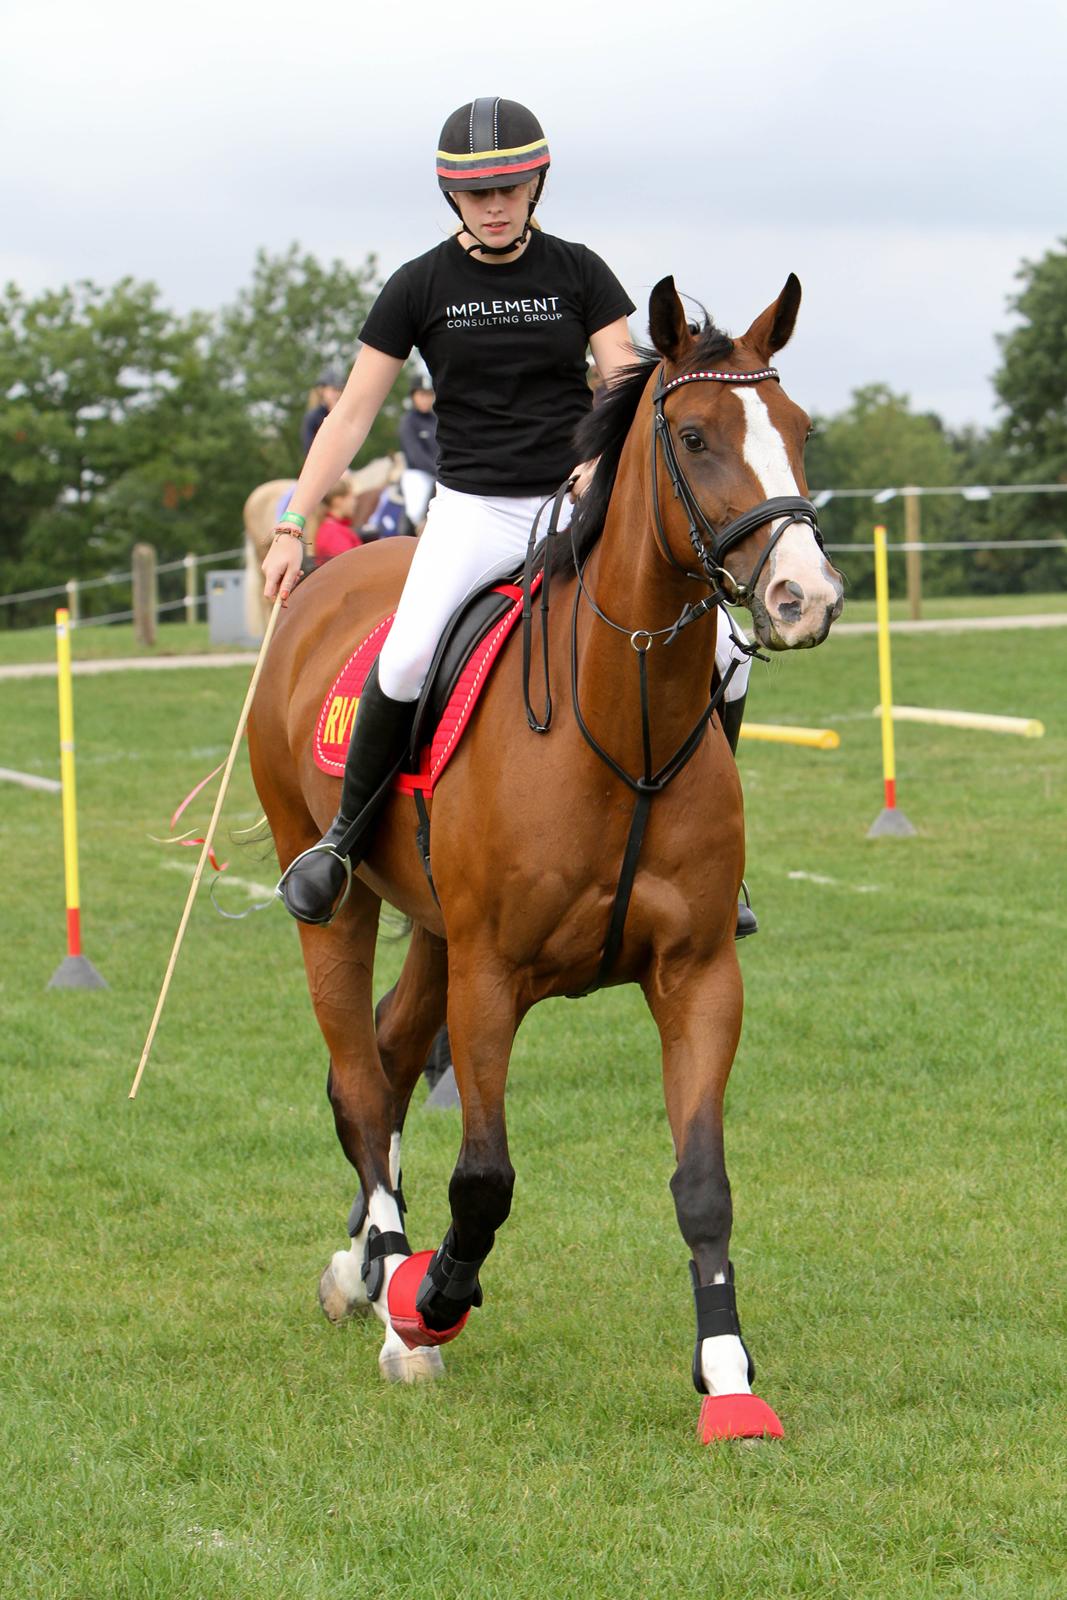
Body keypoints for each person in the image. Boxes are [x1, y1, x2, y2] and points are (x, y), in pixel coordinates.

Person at [263, 96, 755, 932]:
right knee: (408, 656)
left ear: (537, 184)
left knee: (730, 650)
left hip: (575, 506)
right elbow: (349, 417)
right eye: (476, 193)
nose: (495, 206)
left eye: (511, 188)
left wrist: (599, 463)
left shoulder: (578, 271)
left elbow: (624, 382)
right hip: (474, 511)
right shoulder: (417, 285)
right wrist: (291, 521)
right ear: (450, 197)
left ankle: (713, 855)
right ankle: (343, 840)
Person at [398, 376, 438, 532]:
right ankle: (407, 533)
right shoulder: (408, 421)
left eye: (429, 394)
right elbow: (416, 455)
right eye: (422, 394)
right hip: (418, 474)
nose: (426, 399)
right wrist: (438, 469)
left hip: (440, 473)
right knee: (415, 510)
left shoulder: (437, 420)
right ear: (413, 396)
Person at [313, 481, 363, 566]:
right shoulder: (333, 533)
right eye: (351, 497)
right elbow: (352, 565)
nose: (355, 503)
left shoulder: (331, 528)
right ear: (338, 501)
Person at [301, 367, 345, 458]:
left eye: (339, 390)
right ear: (322, 391)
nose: (337, 394)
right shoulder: (312, 417)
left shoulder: (342, 412)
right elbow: (309, 449)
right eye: (334, 390)